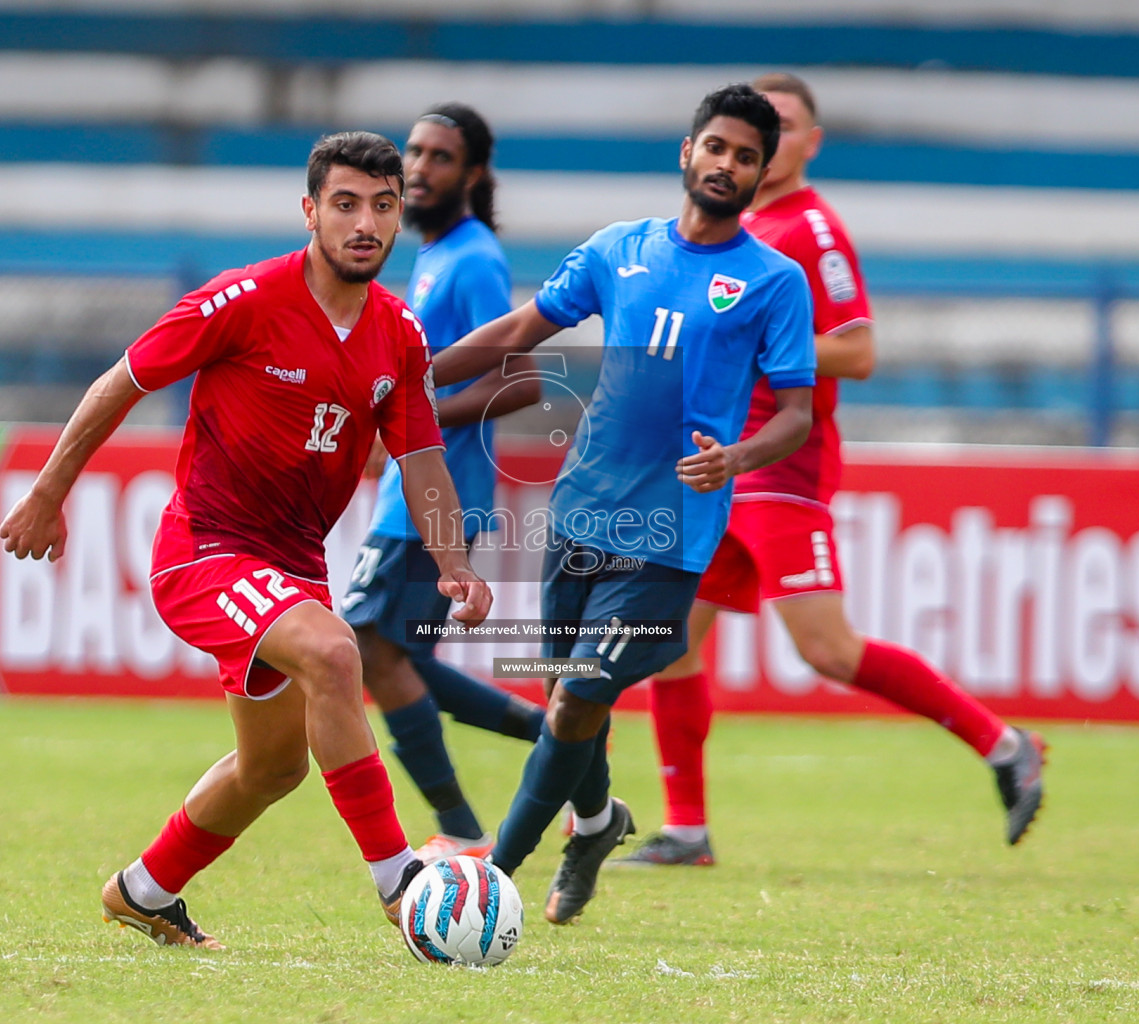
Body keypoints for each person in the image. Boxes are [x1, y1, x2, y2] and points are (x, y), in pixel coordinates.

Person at [0, 131, 494, 950]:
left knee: (274, 768)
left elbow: (422, 454)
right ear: (310, 212)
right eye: (345, 204)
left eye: (382, 205)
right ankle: (398, 880)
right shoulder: (242, 300)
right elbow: (122, 381)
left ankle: (143, 890)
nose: (364, 223)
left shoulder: (398, 333)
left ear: (399, 215)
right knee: (338, 654)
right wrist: (49, 491)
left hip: (295, 567)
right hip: (205, 550)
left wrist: (453, 564)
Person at [613, 73, 1046, 870]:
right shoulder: (739, 228)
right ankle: (687, 828)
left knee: (828, 650)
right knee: (670, 643)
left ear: (805, 143)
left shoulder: (811, 229)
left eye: (781, 125)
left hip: (781, 468)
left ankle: (1004, 744)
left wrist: (757, 346)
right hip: (719, 469)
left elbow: (859, 348)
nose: (762, 137)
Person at [431, 83, 816, 925]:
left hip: (670, 533)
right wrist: (411, 380)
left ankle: (493, 876)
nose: (728, 164)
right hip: (578, 515)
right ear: (688, 153)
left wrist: (739, 458)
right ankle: (597, 825)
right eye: (716, 147)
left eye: (747, 156)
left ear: (759, 174)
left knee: (578, 695)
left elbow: (797, 413)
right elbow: (518, 332)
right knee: (571, 696)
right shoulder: (620, 249)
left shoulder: (773, 281)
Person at [344, 103, 545, 864]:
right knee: (402, 657)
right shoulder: (432, 257)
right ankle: (559, 738)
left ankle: (461, 826)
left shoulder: (474, 260)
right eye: (414, 153)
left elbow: (521, 381)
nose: (420, 167)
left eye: (439, 156)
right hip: (417, 492)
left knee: (370, 648)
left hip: (439, 497)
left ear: (474, 173)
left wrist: (404, 417)